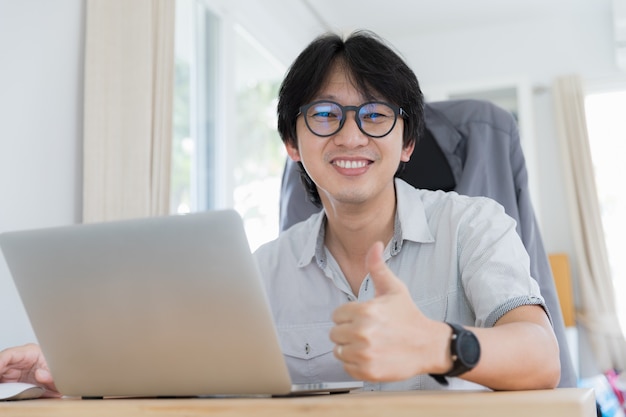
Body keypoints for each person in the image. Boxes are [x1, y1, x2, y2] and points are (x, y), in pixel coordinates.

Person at [0, 30, 560, 393]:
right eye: (323, 115)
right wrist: (71, 368)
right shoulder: (260, 273)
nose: (349, 135)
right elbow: (183, 374)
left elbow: (541, 357)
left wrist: (439, 344)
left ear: (407, 142)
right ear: (293, 145)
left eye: (374, 115)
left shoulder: (474, 224)